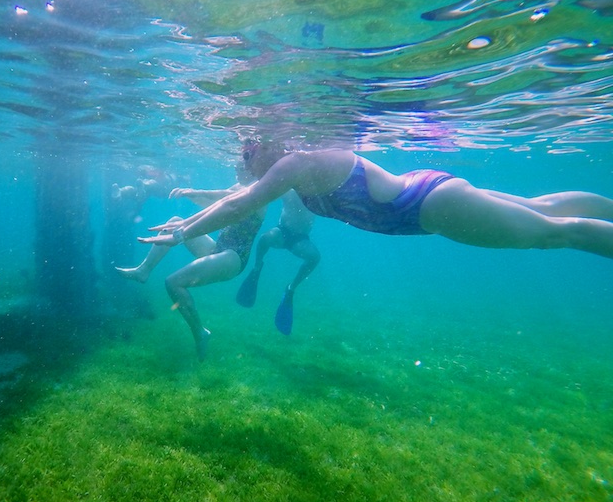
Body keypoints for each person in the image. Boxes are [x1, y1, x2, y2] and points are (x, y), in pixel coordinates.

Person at [140, 138, 613, 265]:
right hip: (427, 196)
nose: (244, 154)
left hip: (429, 207)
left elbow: (240, 207)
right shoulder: (286, 170)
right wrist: (183, 228)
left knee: (556, 235)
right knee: (546, 206)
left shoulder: (295, 163)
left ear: (273, 141)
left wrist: (184, 232)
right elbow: (238, 198)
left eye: (249, 147)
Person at [117, 169, 265, 361]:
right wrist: (194, 195)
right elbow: (215, 204)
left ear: (251, 165)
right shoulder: (239, 186)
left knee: (173, 282)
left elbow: (229, 198)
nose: (236, 169)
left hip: (234, 257)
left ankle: (200, 333)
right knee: (176, 222)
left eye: (241, 163)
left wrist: (195, 191)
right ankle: (144, 270)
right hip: (219, 249)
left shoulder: (261, 188)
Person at [236, 190, 319, 335]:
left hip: (301, 239)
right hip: (282, 231)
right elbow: (266, 192)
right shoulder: (289, 187)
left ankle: (291, 288)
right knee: (264, 239)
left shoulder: (319, 190)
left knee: (314, 257)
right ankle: (257, 268)